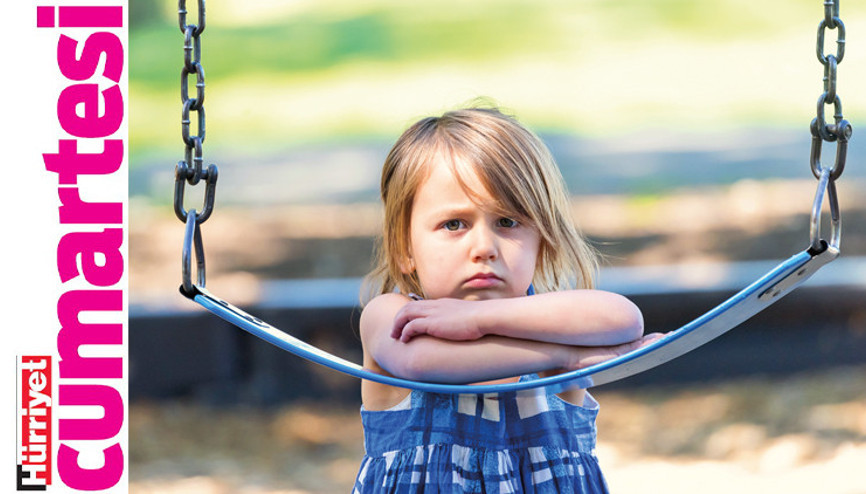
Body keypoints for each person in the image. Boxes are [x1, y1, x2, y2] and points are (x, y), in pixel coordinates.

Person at [353, 106, 659, 493]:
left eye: (508, 222)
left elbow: (625, 319)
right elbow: (419, 361)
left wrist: (478, 319)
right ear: (404, 247)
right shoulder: (393, 314)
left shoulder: (550, 318)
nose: (484, 247)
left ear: (542, 238)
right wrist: (563, 356)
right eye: (454, 224)